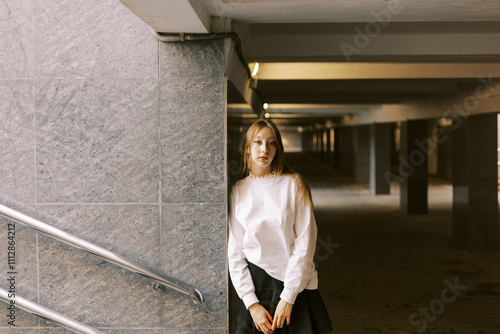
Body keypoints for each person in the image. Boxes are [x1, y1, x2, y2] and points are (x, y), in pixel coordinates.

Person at [228, 120, 332, 334]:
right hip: (256, 289)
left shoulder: (294, 184)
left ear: (278, 149)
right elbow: (235, 253)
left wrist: (288, 297)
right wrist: (251, 303)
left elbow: (305, 244)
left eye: (271, 143)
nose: (264, 149)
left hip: (295, 285)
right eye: (258, 142)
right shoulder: (238, 191)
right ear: (247, 147)